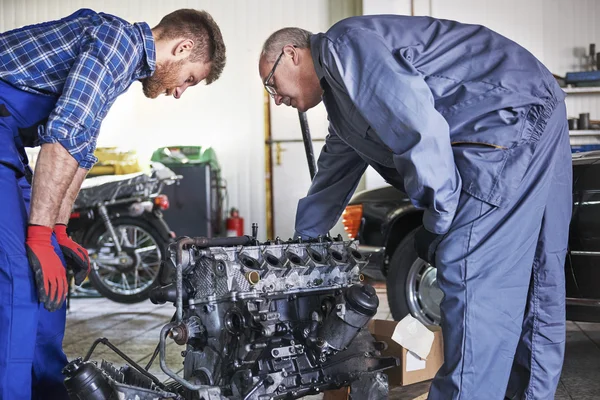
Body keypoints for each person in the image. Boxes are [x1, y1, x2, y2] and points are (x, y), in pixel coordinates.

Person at [259, 15, 570, 400]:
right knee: (539, 281)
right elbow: (330, 180)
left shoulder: (344, 46)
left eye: (272, 83)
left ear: (291, 55)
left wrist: (438, 220)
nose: (276, 98)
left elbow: (418, 129)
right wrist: (301, 249)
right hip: (534, 105)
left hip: (504, 122)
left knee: (472, 280)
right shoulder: (344, 104)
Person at [0, 8, 225, 399]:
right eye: (188, 79)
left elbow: (81, 150)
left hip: (9, 135)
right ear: (182, 46)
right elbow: (64, 132)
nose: (178, 91)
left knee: (51, 269)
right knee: (20, 272)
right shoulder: (116, 41)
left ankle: (49, 387)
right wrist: (37, 234)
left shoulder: (120, 65)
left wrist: (56, 231)